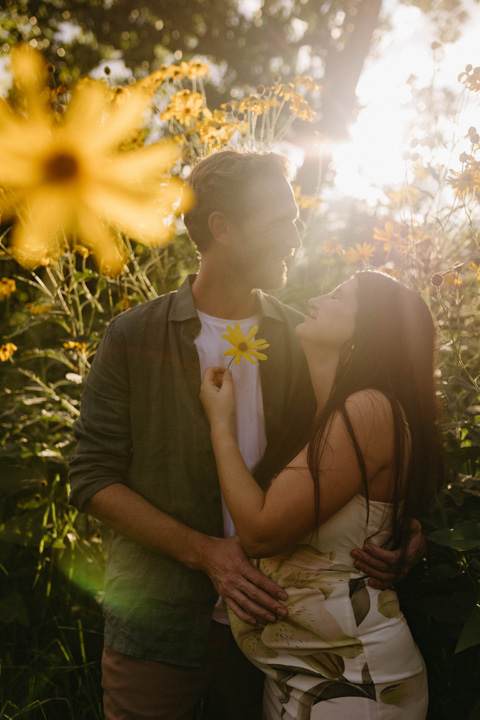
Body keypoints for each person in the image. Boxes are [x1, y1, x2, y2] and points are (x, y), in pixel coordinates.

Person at [69, 151, 424, 720]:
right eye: (282, 219)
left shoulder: (303, 340)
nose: (296, 232)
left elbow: (344, 458)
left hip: (283, 633)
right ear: (222, 228)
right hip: (160, 627)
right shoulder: (133, 335)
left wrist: (398, 521)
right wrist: (207, 554)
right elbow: (91, 479)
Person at [200, 269, 443, 720]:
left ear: (367, 329)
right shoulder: (332, 411)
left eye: (337, 295)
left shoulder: (367, 409)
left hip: (356, 680)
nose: (315, 299)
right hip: (302, 670)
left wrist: (220, 423)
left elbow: (260, 533)